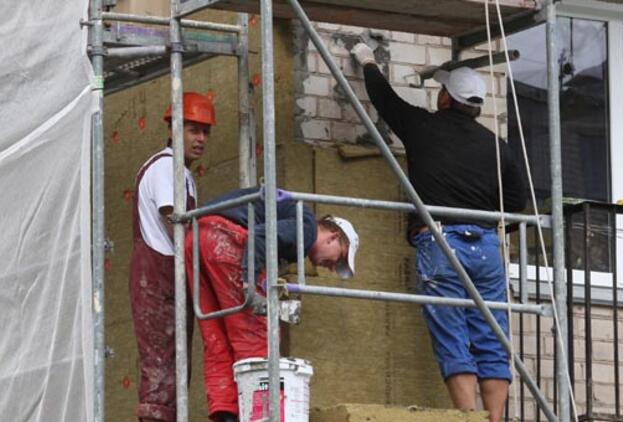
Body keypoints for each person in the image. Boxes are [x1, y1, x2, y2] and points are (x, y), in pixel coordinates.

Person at [351, 43, 526, 422]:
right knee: (491, 335)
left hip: (441, 241)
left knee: (452, 334)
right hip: (486, 248)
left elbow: (384, 98)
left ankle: (468, 417)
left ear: (446, 98)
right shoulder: (498, 147)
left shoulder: (423, 126)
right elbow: (516, 205)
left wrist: (367, 61)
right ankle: (495, 418)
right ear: (475, 106)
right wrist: (492, 227)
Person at [184, 187, 360, 422]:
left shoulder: (291, 218)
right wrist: (249, 286)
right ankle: (262, 416)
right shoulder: (306, 228)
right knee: (256, 336)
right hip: (224, 238)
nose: (331, 267)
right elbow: (259, 236)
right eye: (338, 257)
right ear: (333, 237)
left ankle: (225, 413)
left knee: (217, 336)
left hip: (196, 238)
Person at [129, 92, 215, 422]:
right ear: (174, 129)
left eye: (205, 131)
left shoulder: (182, 172)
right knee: (160, 370)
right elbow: (175, 222)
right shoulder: (166, 167)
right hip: (157, 279)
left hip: (169, 280)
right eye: (193, 130)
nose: (201, 139)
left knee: (174, 368)